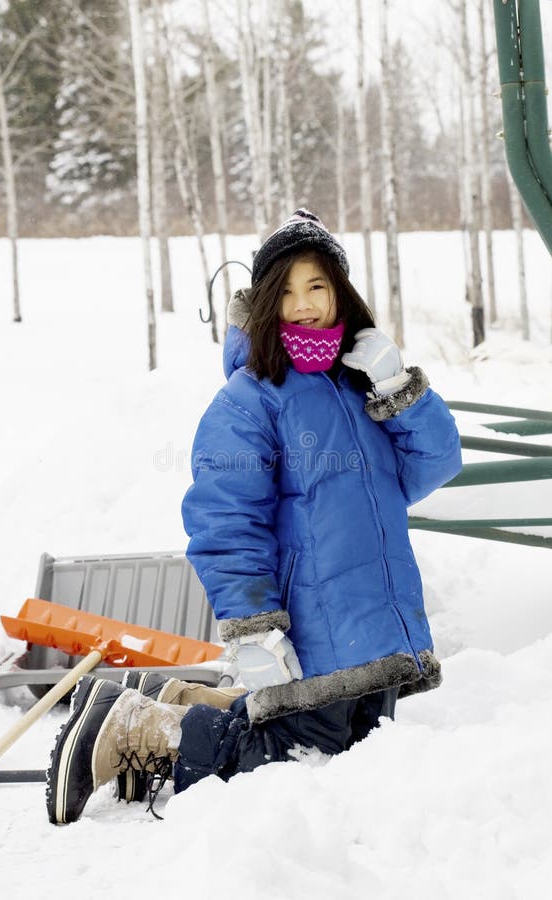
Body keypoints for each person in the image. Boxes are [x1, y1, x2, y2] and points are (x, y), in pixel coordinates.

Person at [46, 209, 462, 825]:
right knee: (284, 765)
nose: (304, 304)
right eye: (287, 289)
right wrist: (253, 627)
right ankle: (134, 724)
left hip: (376, 623)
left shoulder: (360, 386)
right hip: (311, 625)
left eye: (317, 286)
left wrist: (399, 388)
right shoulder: (248, 400)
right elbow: (227, 524)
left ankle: (181, 700)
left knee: (356, 767)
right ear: (267, 301)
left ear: (340, 294)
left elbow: (433, 467)